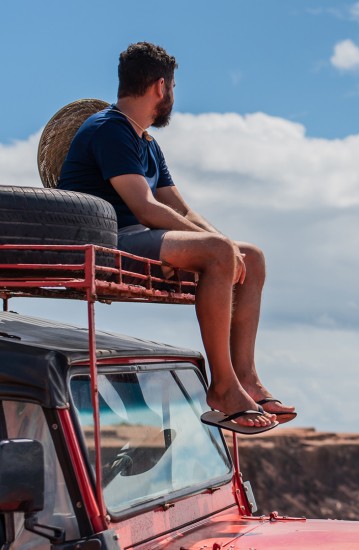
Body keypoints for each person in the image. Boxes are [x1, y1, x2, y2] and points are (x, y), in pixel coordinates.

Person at [58, 42, 295, 434]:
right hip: (107, 238)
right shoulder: (110, 129)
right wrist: (219, 250)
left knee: (251, 256)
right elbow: (146, 207)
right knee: (220, 252)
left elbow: (182, 211)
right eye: (172, 89)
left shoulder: (146, 142)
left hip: (140, 234)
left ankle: (246, 378)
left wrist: (230, 248)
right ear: (161, 87)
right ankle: (223, 387)